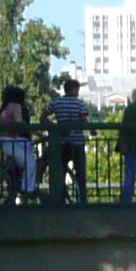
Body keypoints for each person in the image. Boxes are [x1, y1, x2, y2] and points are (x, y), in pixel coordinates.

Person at [46, 74, 93, 204]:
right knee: (80, 173)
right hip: (77, 142)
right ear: (73, 90)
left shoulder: (56, 102)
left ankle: (59, 199)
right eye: (77, 90)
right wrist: (92, 130)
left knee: (60, 171)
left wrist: (54, 129)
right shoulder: (79, 104)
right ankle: (82, 200)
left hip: (61, 141)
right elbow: (83, 119)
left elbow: (43, 117)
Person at [0, 84, 37, 200]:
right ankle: (27, 189)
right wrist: (35, 132)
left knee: (21, 163)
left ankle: (17, 187)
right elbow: (20, 123)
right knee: (30, 162)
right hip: (12, 141)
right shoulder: (16, 107)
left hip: (5, 141)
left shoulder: (5, 107)